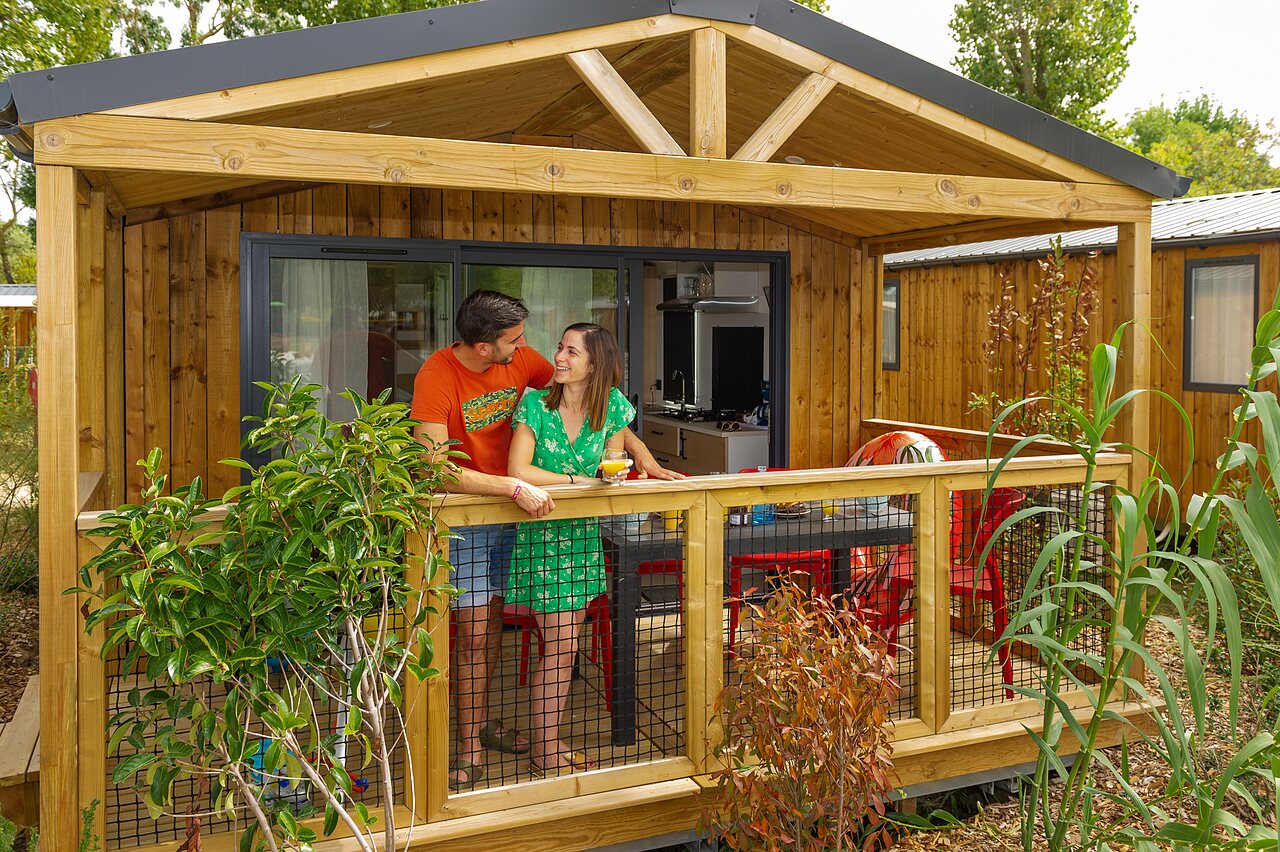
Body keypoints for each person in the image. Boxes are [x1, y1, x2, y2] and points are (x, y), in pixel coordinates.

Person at [411, 290, 679, 792]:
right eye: (517, 340)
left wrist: (641, 454)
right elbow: (432, 467)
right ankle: (470, 746)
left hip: (531, 514)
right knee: (474, 635)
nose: (538, 351)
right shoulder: (437, 376)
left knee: (529, 637)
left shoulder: (529, 364)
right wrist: (516, 485)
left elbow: (600, 402)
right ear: (486, 348)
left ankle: (497, 730)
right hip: (477, 512)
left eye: (563, 348)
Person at [506, 322, 631, 776]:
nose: (559, 357)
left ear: (594, 363)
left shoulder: (613, 407)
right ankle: (547, 748)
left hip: (582, 539)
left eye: (571, 352)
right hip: (542, 537)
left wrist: (613, 474)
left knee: (563, 647)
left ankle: (547, 742)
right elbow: (518, 468)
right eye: (560, 348)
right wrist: (579, 481)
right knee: (559, 648)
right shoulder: (535, 404)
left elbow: (612, 465)